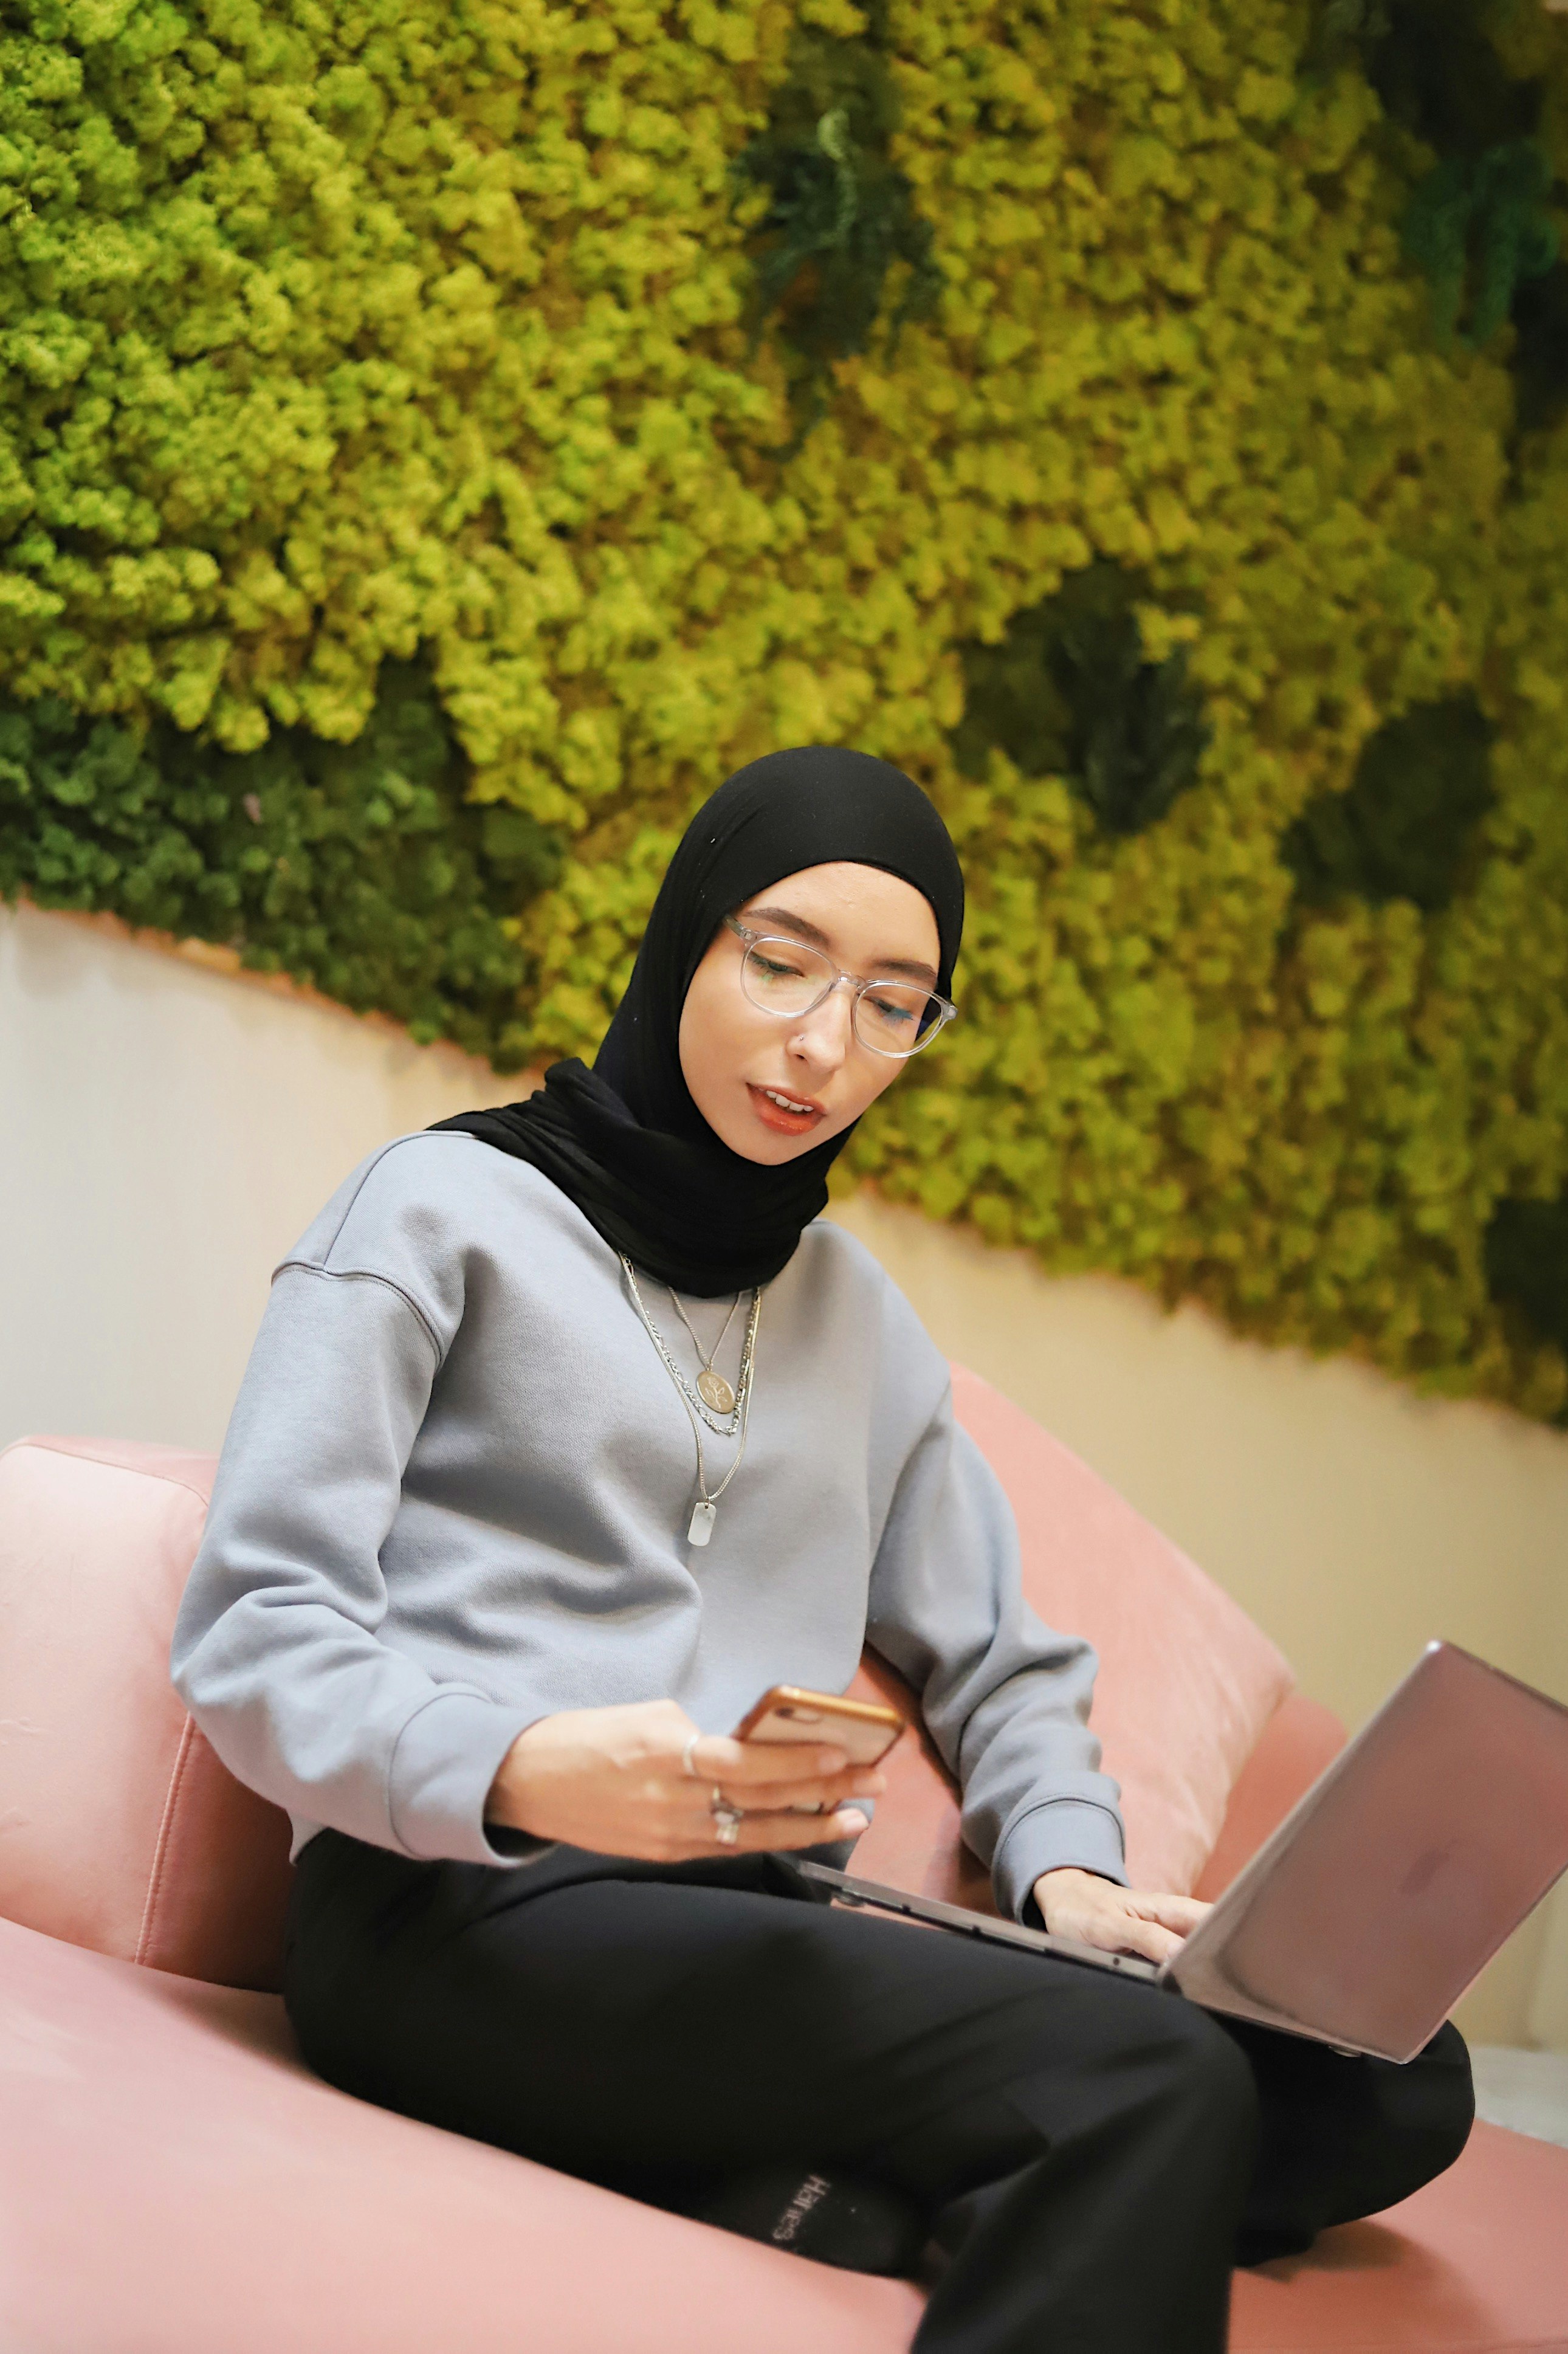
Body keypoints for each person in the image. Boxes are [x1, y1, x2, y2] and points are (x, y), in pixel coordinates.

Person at [171, 746, 1472, 2352]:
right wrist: (524, 1763)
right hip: (456, 1908)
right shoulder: (435, 1213)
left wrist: (1065, 1866)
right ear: (681, 944)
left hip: (748, 1924)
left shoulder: (858, 1322)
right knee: (1150, 2077)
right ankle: (954, 2172)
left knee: (1384, 2074)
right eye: (779, 963)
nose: (820, 1044)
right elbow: (252, 1630)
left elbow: (1002, 1654)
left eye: (890, 1002)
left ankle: (835, 2188)